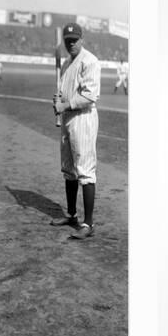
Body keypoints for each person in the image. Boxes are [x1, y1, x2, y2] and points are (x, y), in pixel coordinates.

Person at [51, 23, 101, 239]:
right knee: (68, 168)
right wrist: (59, 100)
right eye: (68, 40)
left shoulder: (90, 61)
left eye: (75, 39)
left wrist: (65, 104)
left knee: (85, 170)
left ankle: (88, 224)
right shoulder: (65, 65)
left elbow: (90, 96)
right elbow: (65, 95)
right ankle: (71, 215)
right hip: (68, 119)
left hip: (84, 119)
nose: (71, 43)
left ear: (82, 39)